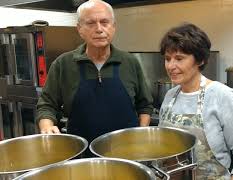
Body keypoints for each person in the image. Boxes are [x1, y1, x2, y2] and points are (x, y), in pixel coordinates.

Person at [36, 0, 153, 145]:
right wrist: (47, 126)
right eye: (91, 23)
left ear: (113, 27)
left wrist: (140, 133)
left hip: (128, 152)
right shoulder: (63, 64)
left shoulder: (130, 62)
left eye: (105, 22)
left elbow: (145, 105)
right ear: (79, 28)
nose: (99, 29)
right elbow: (47, 105)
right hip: (81, 154)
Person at [158, 23, 233, 180]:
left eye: (179, 58)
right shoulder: (170, 96)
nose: (171, 66)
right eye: (167, 59)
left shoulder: (221, 95)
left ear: (200, 60)